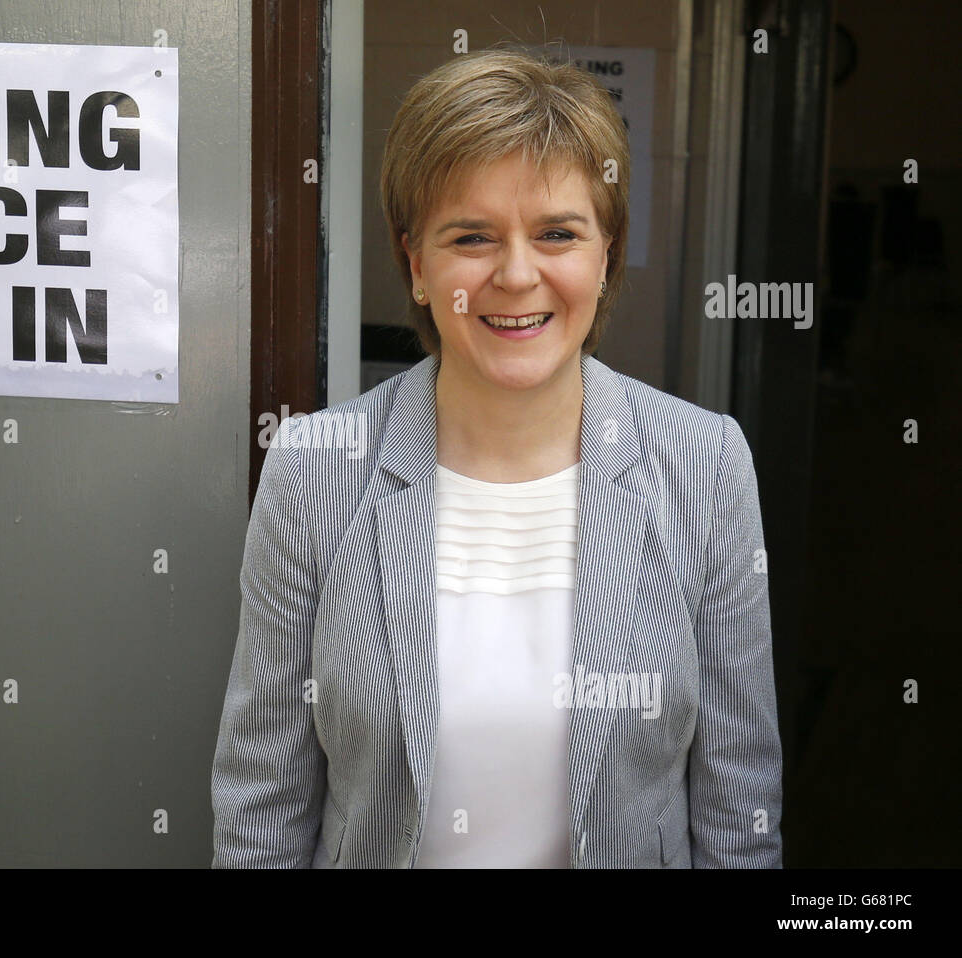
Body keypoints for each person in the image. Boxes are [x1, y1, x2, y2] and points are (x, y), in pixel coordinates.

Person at [211, 46, 783, 868]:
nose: (517, 275)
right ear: (417, 264)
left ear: (606, 254)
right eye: (472, 237)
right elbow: (262, 803)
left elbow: (739, 809)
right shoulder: (313, 470)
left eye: (558, 233)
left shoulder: (705, 464)